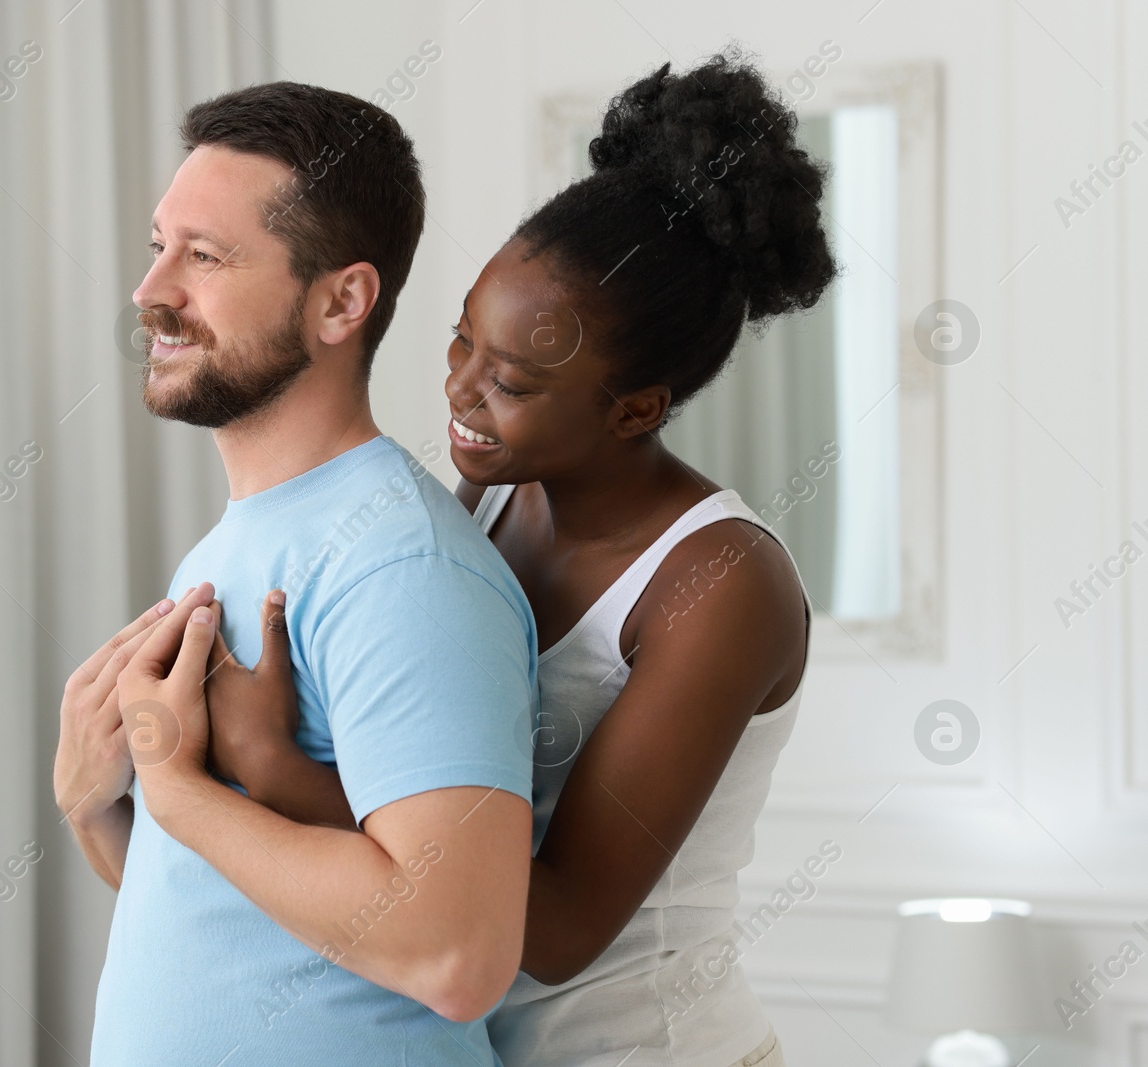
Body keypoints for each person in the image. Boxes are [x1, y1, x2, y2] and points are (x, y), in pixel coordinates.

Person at [189, 54, 835, 1067]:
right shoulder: (492, 493)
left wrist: (274, 769)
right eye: (460, 344)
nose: (461, 394)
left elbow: (567, 921)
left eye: (517, 381)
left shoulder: (720, 584)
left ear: (634, 409)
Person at [52, 82, 540, 1065]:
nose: (151, 293)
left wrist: (179, 790)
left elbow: (455, 952)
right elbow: (223, 915)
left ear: (341, 301)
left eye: (205, 256)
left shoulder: (401, 566)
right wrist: (92, 802)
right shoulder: (233, 546)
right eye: (159, 245)